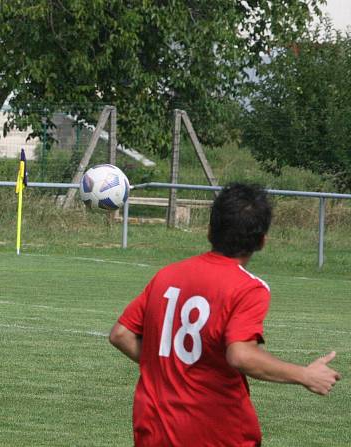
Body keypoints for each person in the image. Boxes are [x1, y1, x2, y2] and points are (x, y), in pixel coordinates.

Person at [109, 183, 341, 446]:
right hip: (214, 432)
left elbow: (121, 334)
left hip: (153, 427)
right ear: (262, 241)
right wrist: (305, 375)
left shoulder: (167, 276)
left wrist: (172, 372)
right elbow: (241, 355)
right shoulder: (248, 288)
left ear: (210, 231)